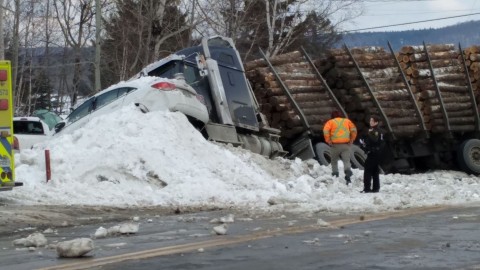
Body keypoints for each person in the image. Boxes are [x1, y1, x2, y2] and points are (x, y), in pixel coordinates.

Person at [323, 110, 357, 185]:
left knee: (334, 161)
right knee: (346, 161)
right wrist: (352, 139)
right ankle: (347, 172)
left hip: (334, 145)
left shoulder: (330, 122)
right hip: (346, 144)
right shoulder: (347, 121)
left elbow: (325, 131)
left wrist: (328, 140)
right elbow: (354, 130)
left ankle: (335, 174)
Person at [359, 116, 385, 193]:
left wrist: (366, 144)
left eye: (372, 121)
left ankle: (367, 188)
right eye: (370, 120)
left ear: (376, 122)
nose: (370, 122)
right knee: (375, 170)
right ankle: (376, 188)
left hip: (373, 153)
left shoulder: (375, 131)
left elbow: (374, 140)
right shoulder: (380, 131)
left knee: (367, 170)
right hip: (377, 153)